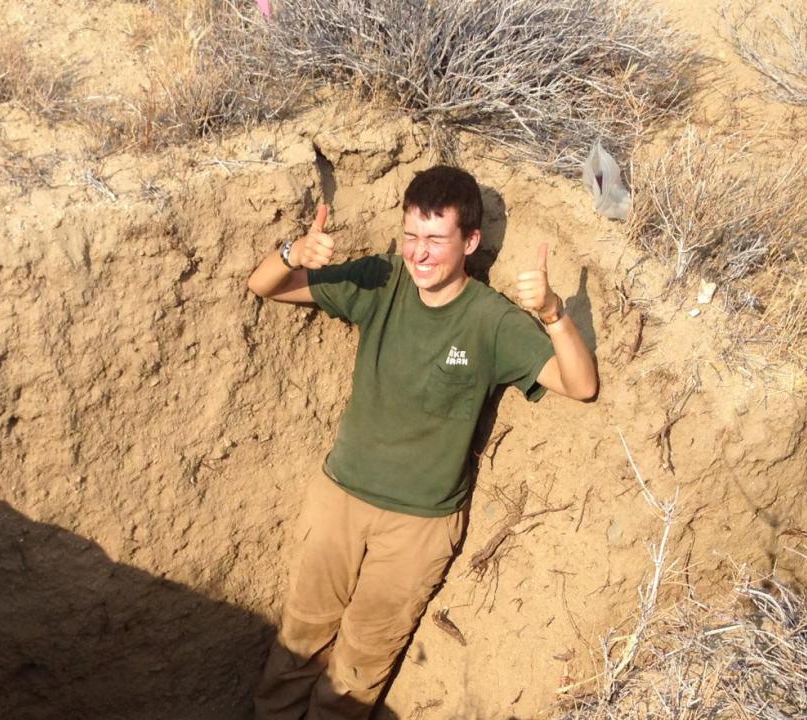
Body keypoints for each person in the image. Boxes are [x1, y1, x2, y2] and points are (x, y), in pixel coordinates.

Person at [246, 165, 597, 719]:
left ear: (470, 241)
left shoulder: (491, 321)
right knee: (298, 641)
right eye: (411, 236)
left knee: (358, 670)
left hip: (418, 527)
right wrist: (294, 252)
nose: (419, 253)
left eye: (436, 239)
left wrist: (553, 313)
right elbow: (265, 286)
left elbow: (581, 385)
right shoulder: (380, 280)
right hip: (339, 499)